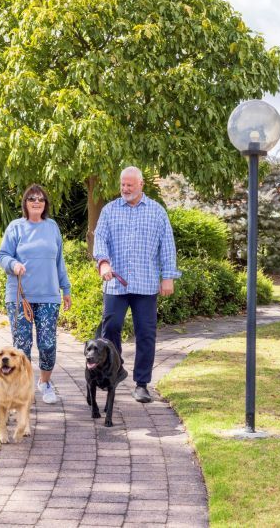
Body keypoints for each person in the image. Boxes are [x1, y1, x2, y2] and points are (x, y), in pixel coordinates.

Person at [93, 166, 181, 403]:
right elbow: (100, 238)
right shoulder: (110, 210)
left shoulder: (157, 212)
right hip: (116, 284)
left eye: (130, 185)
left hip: (146, 284)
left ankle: (141, 384)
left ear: (141, 184)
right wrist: (103, 263)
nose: (125, 189)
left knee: (146, 334)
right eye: (122, 184)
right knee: (110, 329)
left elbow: (167, 246)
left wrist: (168, 276)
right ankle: (114, 371)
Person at [0, 184, 72, 404]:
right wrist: (13, 264)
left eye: (40, 199)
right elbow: (2, 255)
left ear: (45, 203)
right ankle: (24, 389)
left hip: (48, 296)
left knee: (48, 344)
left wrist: (65, 289)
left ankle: (45, 383)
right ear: (25, 203)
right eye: (32, 199)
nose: (36, 202)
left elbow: (59, 261)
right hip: (20, 298)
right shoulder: (15, 227)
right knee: (22, 348)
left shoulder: (52, 227)